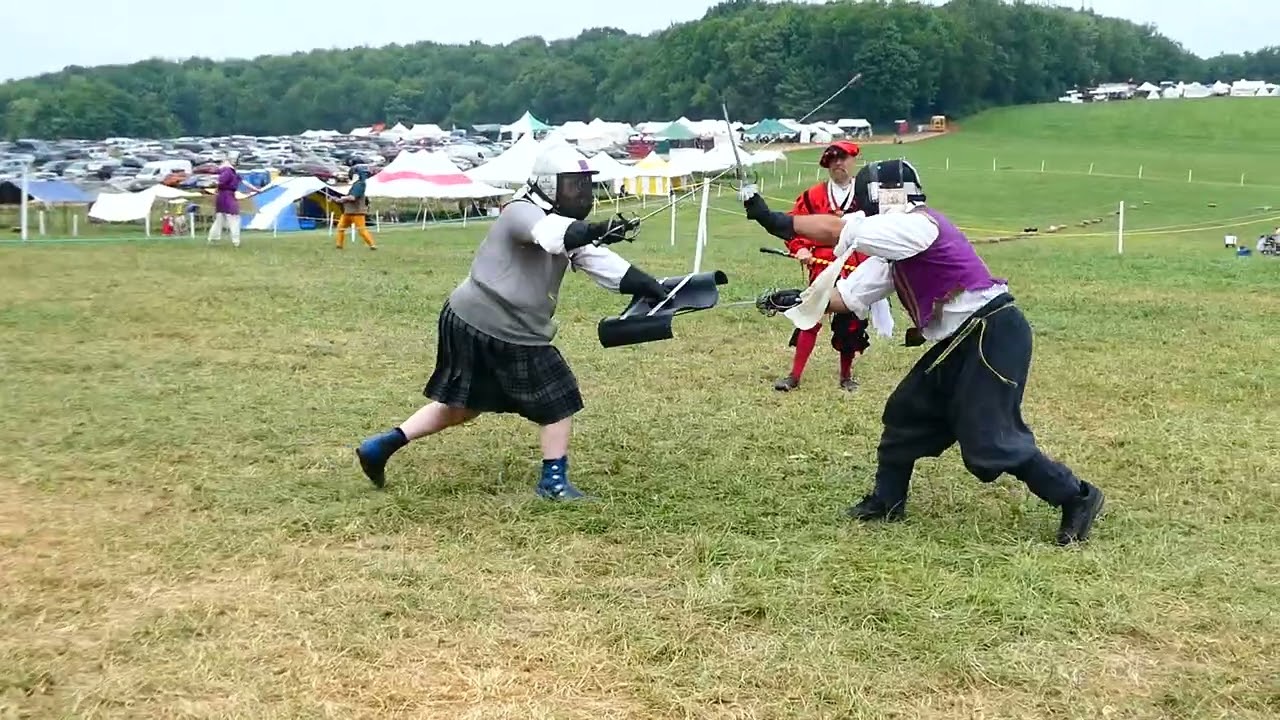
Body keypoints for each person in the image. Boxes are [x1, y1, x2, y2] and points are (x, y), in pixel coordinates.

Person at [743, 158, 1105, 545]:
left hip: (991, 332)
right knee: (906, 412)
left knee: (989, 439)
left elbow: (838, 229)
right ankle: (887, 501)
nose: (860, 212)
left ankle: (1078, 497)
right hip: (960, 340)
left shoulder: (918, 225)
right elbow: (847, 297)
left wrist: (776, 221)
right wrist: (797, 299)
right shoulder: (893, 251)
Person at [355, 143, 668, 501]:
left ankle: (381, 446)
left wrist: (651, 287)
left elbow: (605, 265)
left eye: (585, 185)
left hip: (466, 318)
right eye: (573, 185)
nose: (581, 193)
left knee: (462, 406)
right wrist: (594, 228)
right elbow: (552, 237)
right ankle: (553, 484)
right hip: (501, 325)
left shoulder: (565, 226)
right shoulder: (521, 211)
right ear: (548, 185)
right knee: (560, 397)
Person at [773, 140, 887, 392]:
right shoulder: (812, 196)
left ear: (853, 160)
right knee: (810, 317)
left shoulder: (869, 193)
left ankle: (846, 376)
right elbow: (794, 226)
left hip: (858, 265)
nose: (838, 163)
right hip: (822, 267)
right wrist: (800, 248)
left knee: (850, 323)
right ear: (827, 164)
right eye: (833, 159)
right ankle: (794, 375)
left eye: (843, 157)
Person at [208, 159, 262, 247]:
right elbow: (221, 182)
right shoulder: (228, 171)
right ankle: (235, 241)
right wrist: (217, 186)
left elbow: (244, 182)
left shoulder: (231, 172)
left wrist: (256, 189)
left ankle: (213, 238)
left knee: (220, 219)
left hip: (221, 197)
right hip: (227, 197)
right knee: (234, 219)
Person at [336, 166, 377, 250]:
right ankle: (339, 245)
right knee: (340, 227)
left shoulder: (360, 184)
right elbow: (349, 198)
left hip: (357, 212)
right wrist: (339, 200)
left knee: (361, 230)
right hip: (348, 212)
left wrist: (343, 198)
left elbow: (352, 197)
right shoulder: (356, 184)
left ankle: (372, 245)